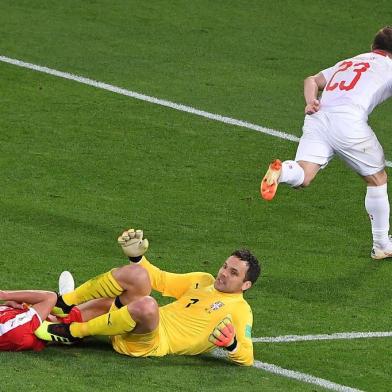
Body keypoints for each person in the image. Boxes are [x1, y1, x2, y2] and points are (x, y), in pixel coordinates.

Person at [35, 229, 261, 366]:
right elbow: (159, 279)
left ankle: (72, 332)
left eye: (233, 273)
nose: (223, 273)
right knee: (136, 275)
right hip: (130, 322)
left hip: (148, 343)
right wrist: (137, 258)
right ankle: (66, 305)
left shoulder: (240, 310)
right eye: (224, 266)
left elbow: (247, 357)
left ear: (246, 284)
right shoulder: (203, 280)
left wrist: (231, 345)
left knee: (148, 305)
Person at [261, 26, 392, 260]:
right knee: (377, 179)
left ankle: (282, 173)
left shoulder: (350, 62)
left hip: (318, 116)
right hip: (348, 123)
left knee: (304, 175)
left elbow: (311, 79)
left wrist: (311, 101)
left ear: (373, 47)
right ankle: (382, 245)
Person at [0, 272, 76, 351]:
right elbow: (50, 297)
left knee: (45, 314)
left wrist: (9, 303)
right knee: (50, 299)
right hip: (13, 328)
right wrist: (5, 295)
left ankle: (67, 317)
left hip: (13, 327)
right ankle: (65, 304)